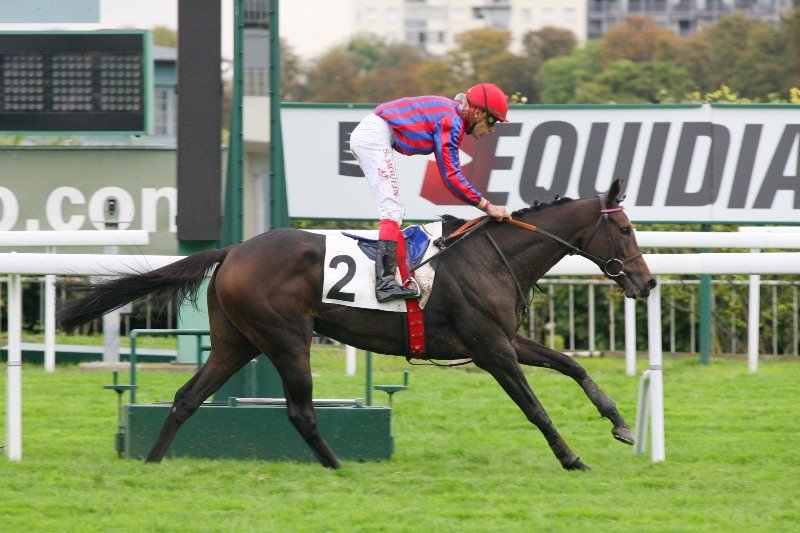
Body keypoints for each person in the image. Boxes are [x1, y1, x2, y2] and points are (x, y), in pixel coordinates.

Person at [349, 82, 512, 303]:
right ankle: (385, 284)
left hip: (374, 133)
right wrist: (486, 206)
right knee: (392, 210)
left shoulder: (451, 115)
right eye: (492, 120)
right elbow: (451, 176)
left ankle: (390, 279)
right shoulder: (452, 121)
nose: (492, 129)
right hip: (374, 135)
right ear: (477, 113)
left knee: (394, 210)